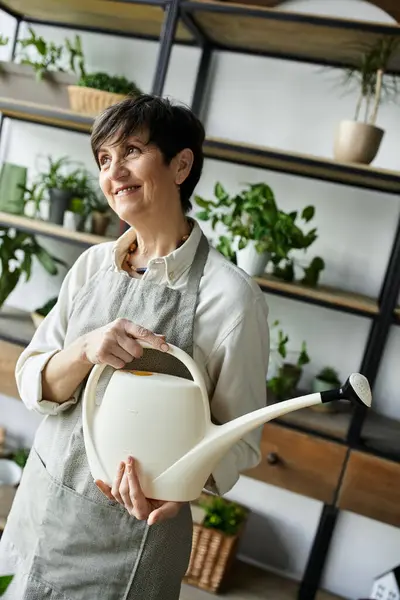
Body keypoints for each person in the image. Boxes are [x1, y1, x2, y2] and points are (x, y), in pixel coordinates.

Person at [0, 94, 270, 599]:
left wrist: (176, 489)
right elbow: (34, 381)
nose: (114, 170)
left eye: (131, 151)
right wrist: (85, 350)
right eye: (104, 159)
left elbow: (236, 442)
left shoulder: (230, 298)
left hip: (129, 542)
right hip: (42, 509)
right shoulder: (91, 265)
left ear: (181, 164)